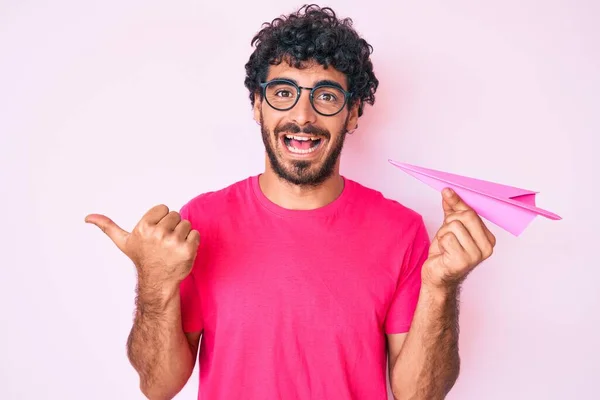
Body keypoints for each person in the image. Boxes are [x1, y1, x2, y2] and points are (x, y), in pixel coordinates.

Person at [85, 4, 496, 400]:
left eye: (327, 96)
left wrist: (443, 286)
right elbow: (157, 387)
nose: (303, 116)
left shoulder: (401, 230)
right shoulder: (200, 222)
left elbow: (420, 395)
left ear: (352, 113)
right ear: (257, 105)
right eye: (283, 92)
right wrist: (154, 281)